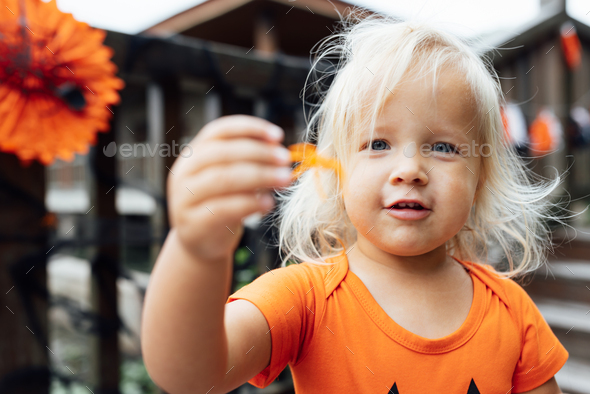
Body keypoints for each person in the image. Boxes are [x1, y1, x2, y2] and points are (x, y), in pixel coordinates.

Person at [141, 9, 576, 394]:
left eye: (443, 147)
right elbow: (192, 377)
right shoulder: (306, 298)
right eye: (378, 142)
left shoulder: (512, 311)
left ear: (479, 182)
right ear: (334, 174)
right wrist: (196, 251)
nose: (410, 169)